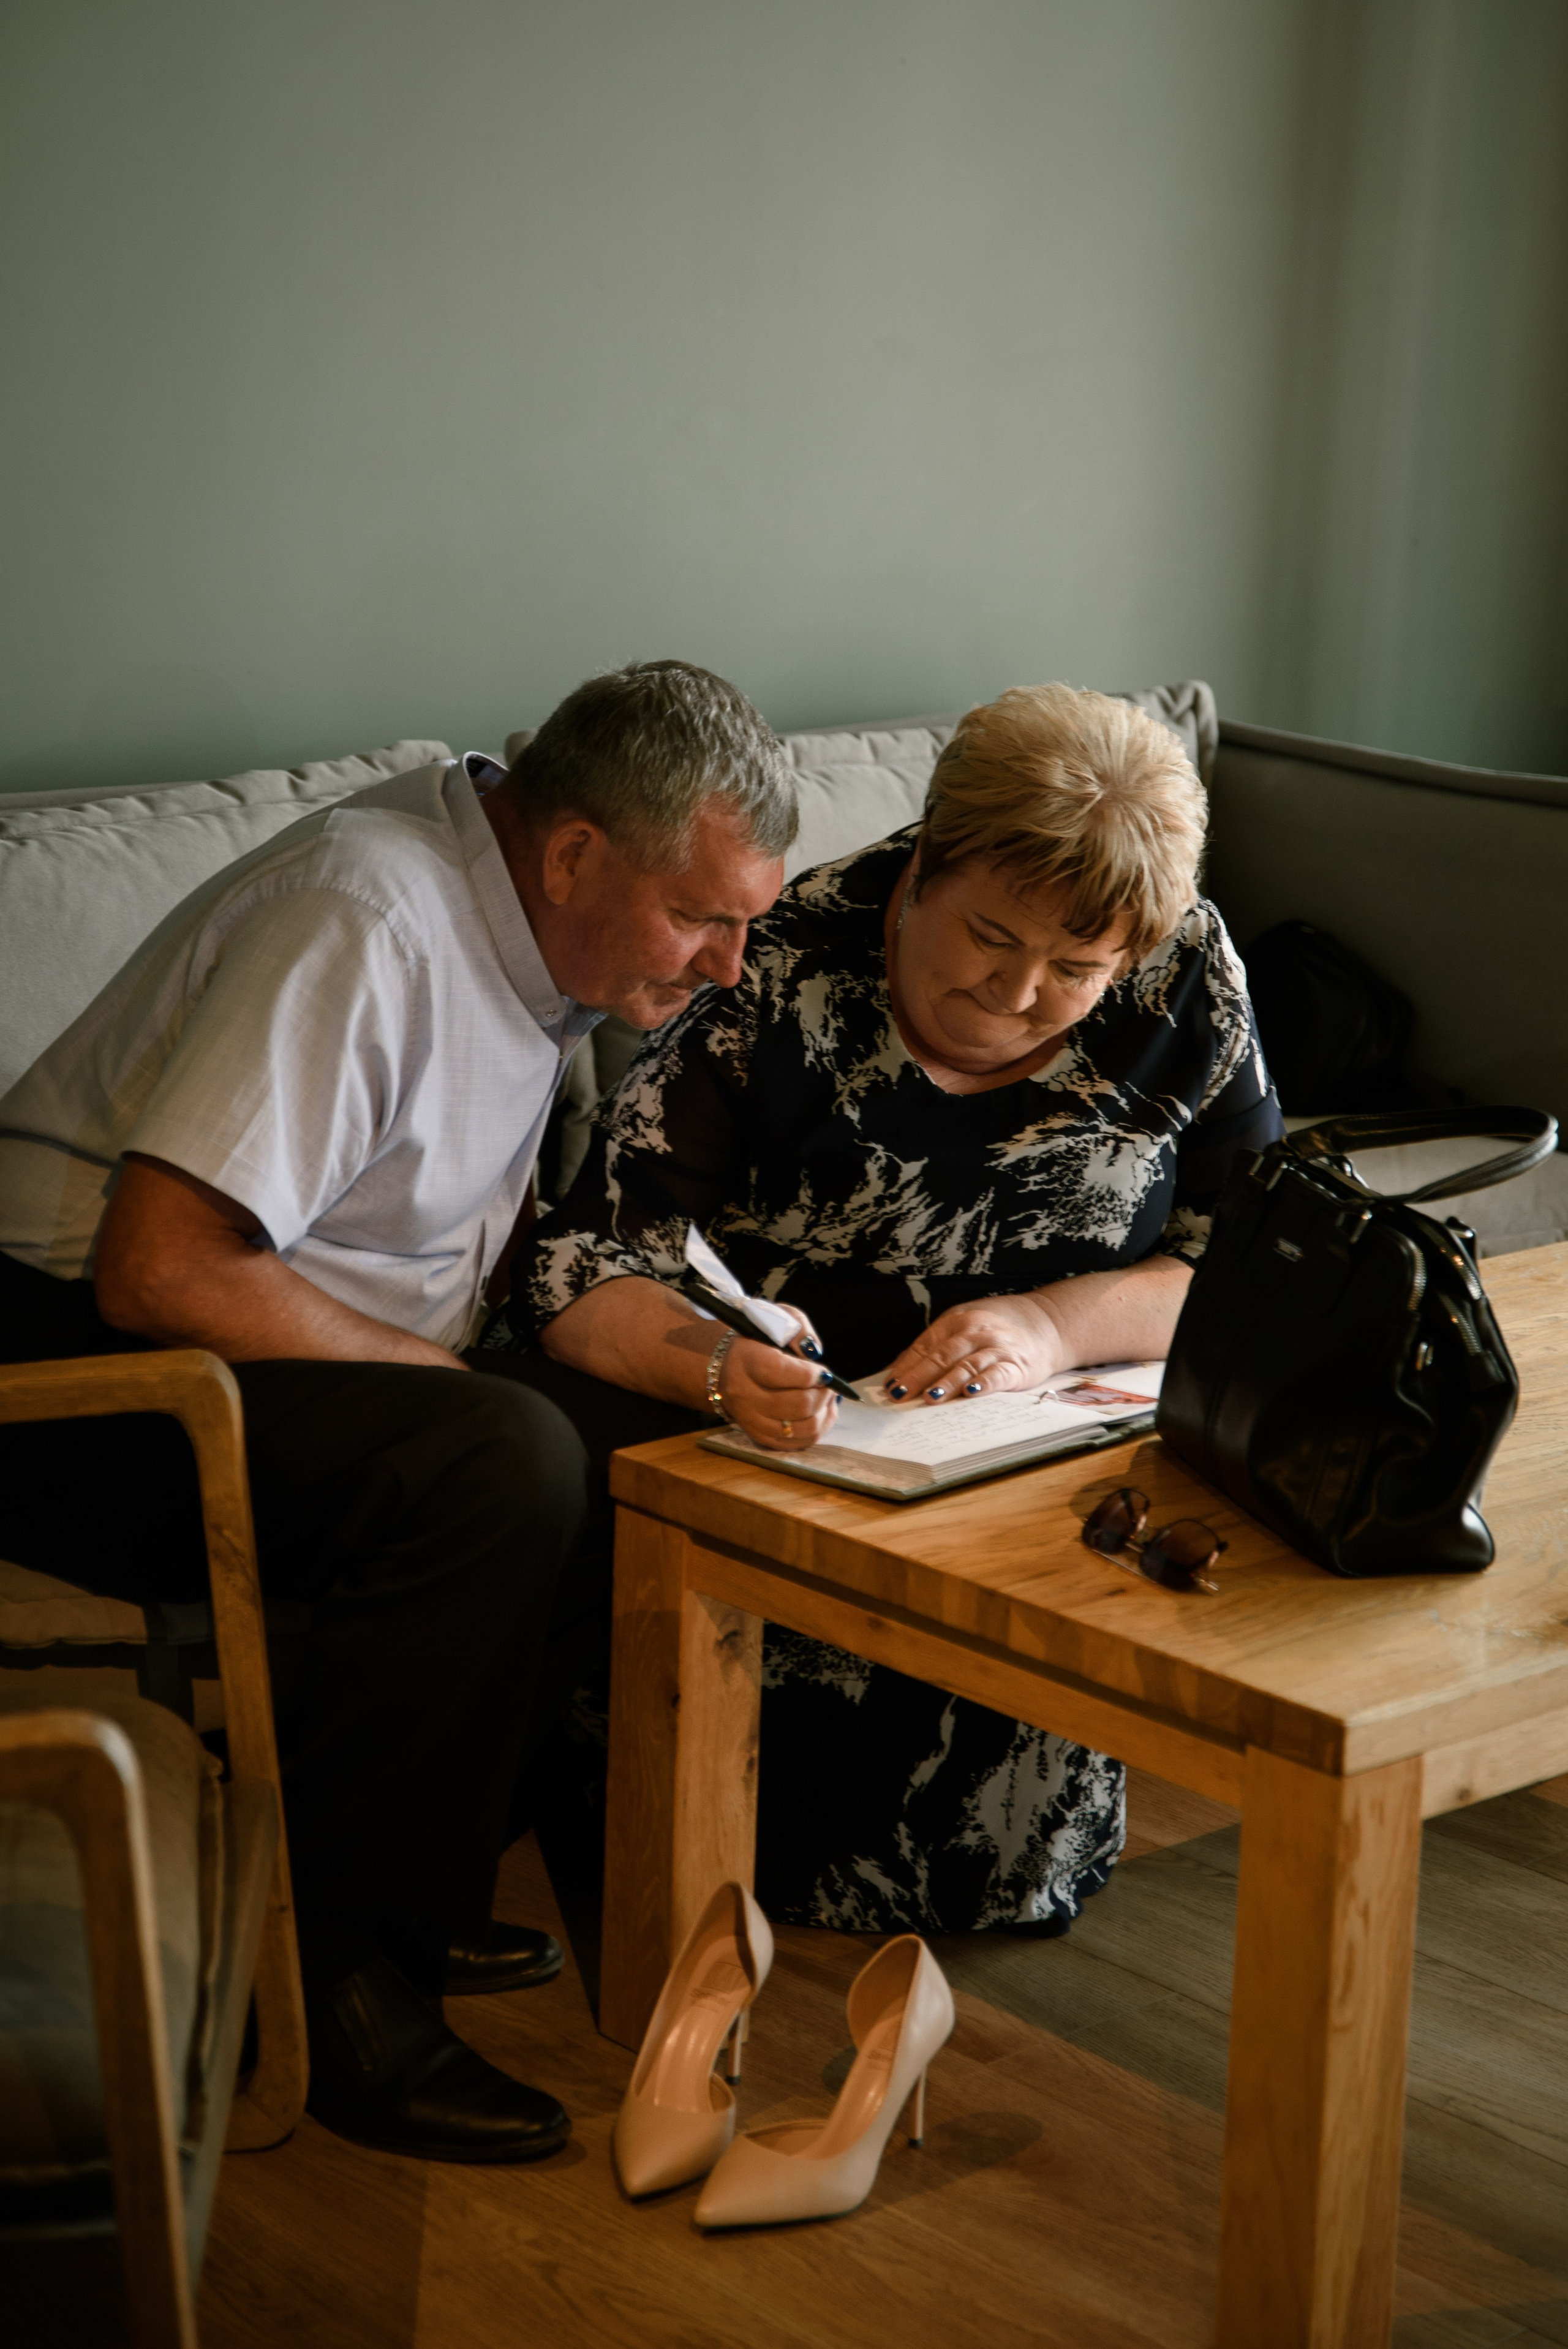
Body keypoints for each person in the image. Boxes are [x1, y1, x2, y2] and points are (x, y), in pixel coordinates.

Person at [0, 660, 796, 2159]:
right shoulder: (370, 913)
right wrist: (450, 1385)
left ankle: (393, 1874)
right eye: (702, 915)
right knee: (499, 1455)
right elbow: (157, 1269)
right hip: (58, 1379)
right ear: (570, 854)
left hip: (243, 1354)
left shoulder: (541, 941)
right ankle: (338, 1983)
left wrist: (691, 1358)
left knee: (650, 1452)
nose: (729, 963)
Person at [489, 683, 1281, 1935]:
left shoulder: (1185, 976)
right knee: (728, 1829)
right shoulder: (782, 959)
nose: (1021, 993)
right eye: (990, 938)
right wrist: (710, 1364)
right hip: (795, 1459)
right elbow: (579, 1257)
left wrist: (1054, 1323)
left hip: (1033, 1472)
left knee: (1000, 1875)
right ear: (922, 867)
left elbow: (1257, 1274)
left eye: (1077, 969)